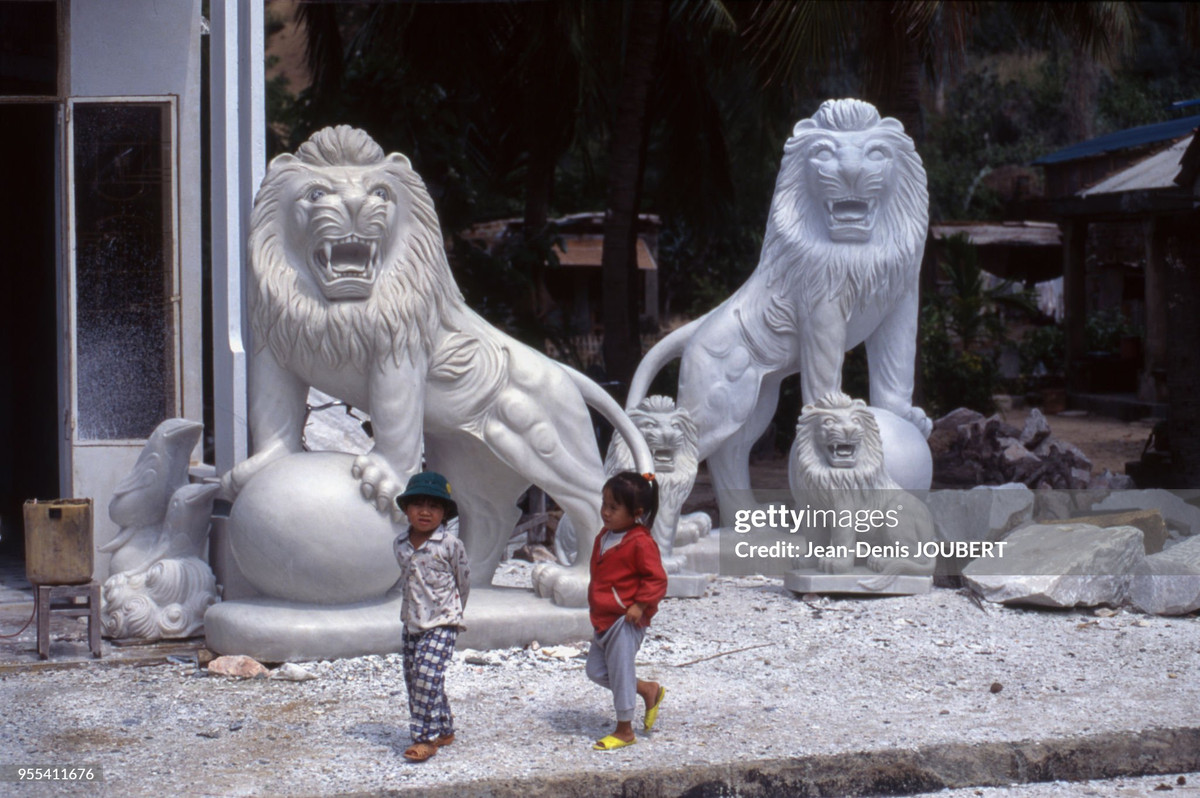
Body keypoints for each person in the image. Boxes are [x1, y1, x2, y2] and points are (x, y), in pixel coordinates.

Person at [586, 471, 669, 751]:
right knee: (596, 671)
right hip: (603, 619)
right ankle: (647, 689)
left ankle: (624, 730)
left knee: (620, 672)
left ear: (636, 513)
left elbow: (656, 578)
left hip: (625, 620)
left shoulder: (641, 542)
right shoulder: (605, 536)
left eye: (613, 507)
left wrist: (640, 604)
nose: (605, 512)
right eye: (604, 504)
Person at [393, 471, 470, 763]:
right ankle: (444, 727)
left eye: (434, 506)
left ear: (444, 513)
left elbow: (463, 580)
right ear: (407, 509)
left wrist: (456, 611)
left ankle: (424, 740)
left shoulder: (450, 545)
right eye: (418, 505)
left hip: (443, 620)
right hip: (412, 622)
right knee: (417, 679)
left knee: (427, 676)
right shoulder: (400, 545)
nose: (425, 512)